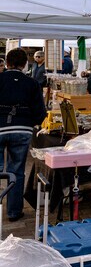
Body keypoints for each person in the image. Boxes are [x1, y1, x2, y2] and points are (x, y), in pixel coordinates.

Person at [0, 48, 47, 221]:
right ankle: (13, 212)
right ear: (24, 64)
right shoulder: (32, 83)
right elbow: (40, 113)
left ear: (7, 63)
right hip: (22, 130)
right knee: (17, 171)